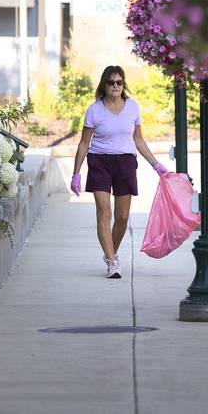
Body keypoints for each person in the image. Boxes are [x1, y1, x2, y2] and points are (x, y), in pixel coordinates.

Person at [71, 65, 168, 279]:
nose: (115, 86)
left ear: (123, 85)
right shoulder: (94, 110)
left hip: (125, 162)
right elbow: (84, 143)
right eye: (111, 82)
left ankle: (110, 253)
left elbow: (139, 139)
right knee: (104, 213)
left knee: (122, 216)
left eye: (119, 82)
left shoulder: (132, 107)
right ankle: (112, 262)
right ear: (104, 85)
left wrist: (156, 165)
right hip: (99, 162)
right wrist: (76, 173)